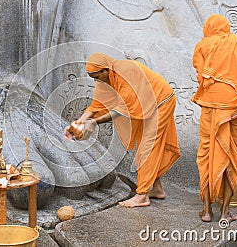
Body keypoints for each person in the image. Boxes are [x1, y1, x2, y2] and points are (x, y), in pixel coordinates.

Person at [64, 53, 180, 208]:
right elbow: (96, 105)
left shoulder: (126, 71)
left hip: (161, 102)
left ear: (106, 70)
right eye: (92, 77)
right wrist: (78, 123)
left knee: (148, 147)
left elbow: (122, 110)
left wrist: (94, 122)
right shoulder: (104, 77)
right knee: (144, 147)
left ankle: (142, 196)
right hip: (146, 104)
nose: (95, 80)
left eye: (97, 76)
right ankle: (157, 189)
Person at [191, 14, 237, 223]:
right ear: (226, 27)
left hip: (210, 107)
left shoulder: (202, 46)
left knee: (207, 153)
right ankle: (225, 212)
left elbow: (202, 75)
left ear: (208, 28)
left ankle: (206, 211)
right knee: (231, 155)